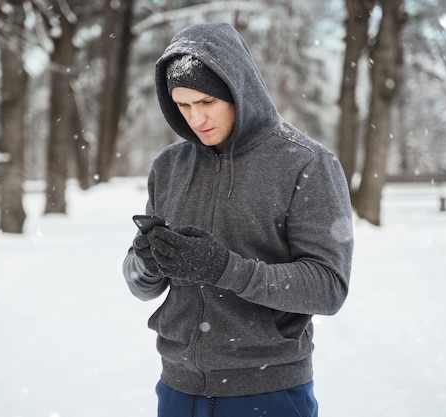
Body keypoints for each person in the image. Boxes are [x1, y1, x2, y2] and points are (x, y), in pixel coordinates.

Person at [123, 22, 353, 417]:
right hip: (178, 390)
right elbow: (140, 285)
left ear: (237, 89)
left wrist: (224, 268)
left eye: (206, 102)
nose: (196, 119)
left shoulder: (305, 163)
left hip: (268, 392)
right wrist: (146, 261)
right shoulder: (169, 166)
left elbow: (328, 287)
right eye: (183, 106)